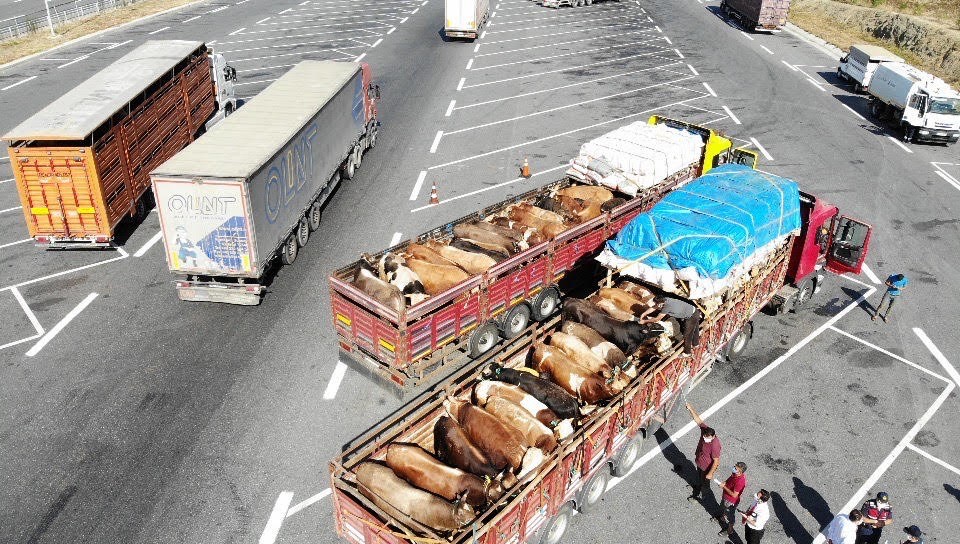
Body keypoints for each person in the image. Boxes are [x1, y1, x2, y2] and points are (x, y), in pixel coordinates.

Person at [685, 402, 721, 502]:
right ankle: (698, 487)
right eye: (704, 436)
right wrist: (690, 409)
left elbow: (716, 461)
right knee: (699, 477)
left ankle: (702, 496)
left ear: (713, 436)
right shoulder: (705, 430)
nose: (705, 439)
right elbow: (698, 420)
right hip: (700, 462)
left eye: (707, 438)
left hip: (706, 467)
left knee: (705, 483)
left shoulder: (715, 445)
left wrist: (710, 474)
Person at [716, 462, 748, 536]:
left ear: (740, 472)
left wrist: (723, 487)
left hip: (731, 501)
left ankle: (730, 530)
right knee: (723, 507)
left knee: (730, 516)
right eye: (734, 466)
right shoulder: (735, 474)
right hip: (725, 496)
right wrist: (724, 482)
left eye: (735, 468)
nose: (733, 468)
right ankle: (722, 518)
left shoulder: (740, 481)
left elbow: (734, 495)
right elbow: (730, 478)